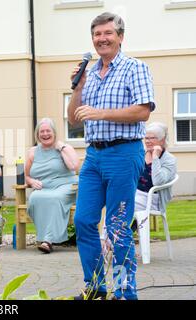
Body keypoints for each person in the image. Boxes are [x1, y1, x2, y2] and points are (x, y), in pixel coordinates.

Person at [67, 12, 155, 300]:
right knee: (83, 221)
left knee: (117, 228)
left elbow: (143, 111)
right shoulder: (90, 75)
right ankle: (94, 287)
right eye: (97, 35)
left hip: (123, 152)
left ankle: (125, 292)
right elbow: (73, 120)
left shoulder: (134, 68)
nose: (101, 39)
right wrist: (78, 89)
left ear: (120, 37)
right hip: (93, 156)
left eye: (107, 33)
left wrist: (101, 113)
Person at [25, 118, 79, 254]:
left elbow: (74, 166)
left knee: (54, 198)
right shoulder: (32, 152)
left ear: (54, 133)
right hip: (43, 187)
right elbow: (26, 175)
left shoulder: (65, 147)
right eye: (41, 131)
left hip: (66, 185)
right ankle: (44, 238)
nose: (45, 134)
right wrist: (31, 182)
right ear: (37, 134)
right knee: (34, 198)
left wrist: (61, 148)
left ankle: (48, 240)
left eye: (48, 131)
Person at [133, 122, 177, 229]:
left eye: (151, 138)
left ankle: (112, 240)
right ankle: (108, 241)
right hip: (135, 194)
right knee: (113, 201)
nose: (147, 141)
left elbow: (158, 181)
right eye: (146, 138)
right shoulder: (141, 154)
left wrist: (155, 158)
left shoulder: (170, 160)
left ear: (162, 140)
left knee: (119, 204)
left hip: (152, 199)